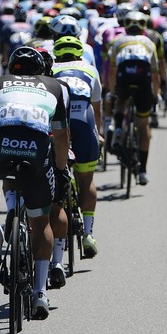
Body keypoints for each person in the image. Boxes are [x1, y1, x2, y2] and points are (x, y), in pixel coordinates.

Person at [0, 47, 70, 320]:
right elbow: (62, 134)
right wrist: (60, 169)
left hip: (3, 144)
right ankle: (40, 291)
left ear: (11, 66)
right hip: (37, 149)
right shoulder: (54, 86)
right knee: (41, 223)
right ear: (40, 70)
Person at [52, 36, 103, 258]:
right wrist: (98, 133)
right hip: (84, 121)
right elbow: (97, 107)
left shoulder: (51, 68)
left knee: (55, 176)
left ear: (57, 54)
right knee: (87, 178)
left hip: (60, 122)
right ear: (80, 53)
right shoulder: (90, 69)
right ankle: (88, 234)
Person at [109, 11, 161, 186]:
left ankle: (117, 129)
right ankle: (143, 171)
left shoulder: (117, 42)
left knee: (121, 101)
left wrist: (113, 91)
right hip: (143, 82)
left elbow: (112, 70)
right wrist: (157, 93)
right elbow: (155, 73)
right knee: (143, 124)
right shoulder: (149, 43)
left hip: (124, 77)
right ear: (143, 27)